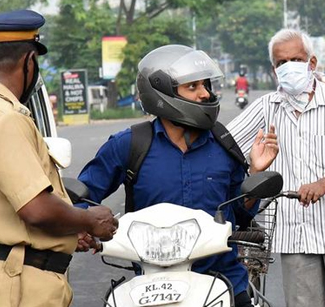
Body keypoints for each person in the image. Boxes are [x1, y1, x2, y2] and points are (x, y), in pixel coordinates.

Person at [78, 44, 279, 307]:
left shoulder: (223, 145)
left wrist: (255, 173)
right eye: (192, 87)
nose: (205, 94)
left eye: (205, 85)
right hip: (151, 285)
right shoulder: (130, 144)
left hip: (221, 280)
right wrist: (82, 225)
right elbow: (83, 193)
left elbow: (238, 214)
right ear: (161, 94)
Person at [0, 10, 118, 307]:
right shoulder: (5, 119)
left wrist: (72, 229)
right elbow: (35, 209)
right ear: (29, 62)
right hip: (21, 284)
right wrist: (89, 218)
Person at [227, 28, 325, 307]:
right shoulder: (267, 107)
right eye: (282, 63)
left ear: (311, 64)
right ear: (274, 69)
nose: (289, 67)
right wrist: (253, 169)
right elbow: (224, 145)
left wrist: (324, 183)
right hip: (293, 233)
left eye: (296, 60)